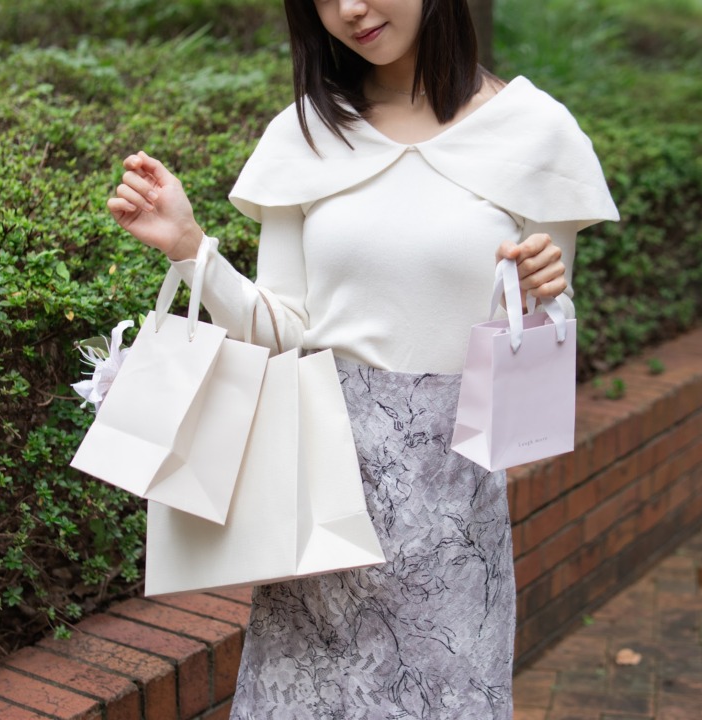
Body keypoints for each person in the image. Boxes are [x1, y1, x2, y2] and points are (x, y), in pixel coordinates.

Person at [108, 0, 618, 715]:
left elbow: (536, 340)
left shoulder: (535, 133)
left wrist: (540, 299)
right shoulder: (305, 135)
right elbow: (284, 333)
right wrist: (192, 249)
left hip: (451, 520)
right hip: (319, 503)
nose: (350, 9)